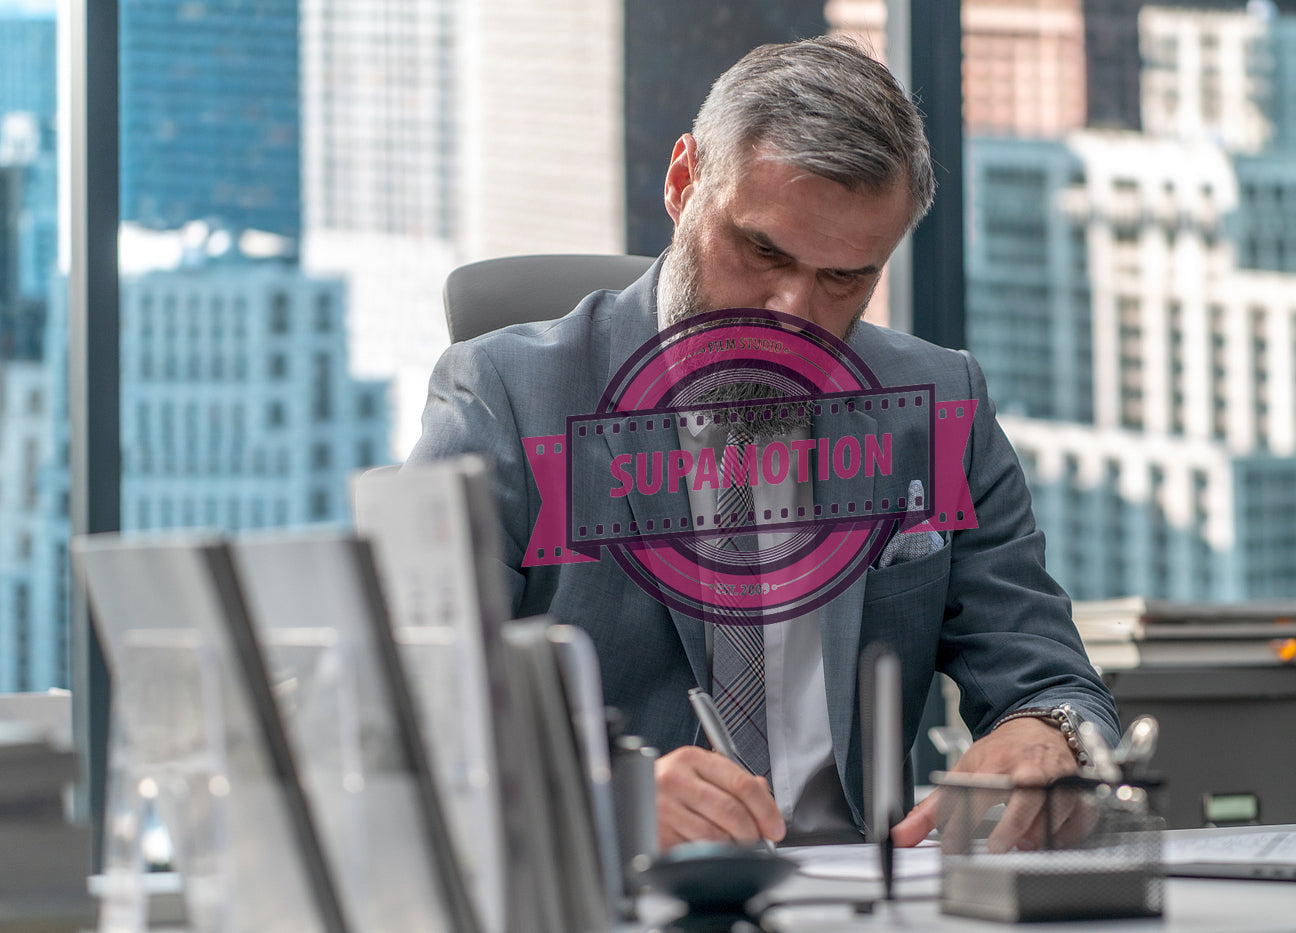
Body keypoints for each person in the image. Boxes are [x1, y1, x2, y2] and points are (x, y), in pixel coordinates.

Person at [408, 36, 1118, 851]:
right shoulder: (501, 396)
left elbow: (1056, 681)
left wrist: (1049, 733)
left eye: (843, 277)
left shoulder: (939, 404)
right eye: (763, 251)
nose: (790, 314)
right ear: (683, 183)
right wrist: (606, 796)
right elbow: (408, 709)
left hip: (865, 894)